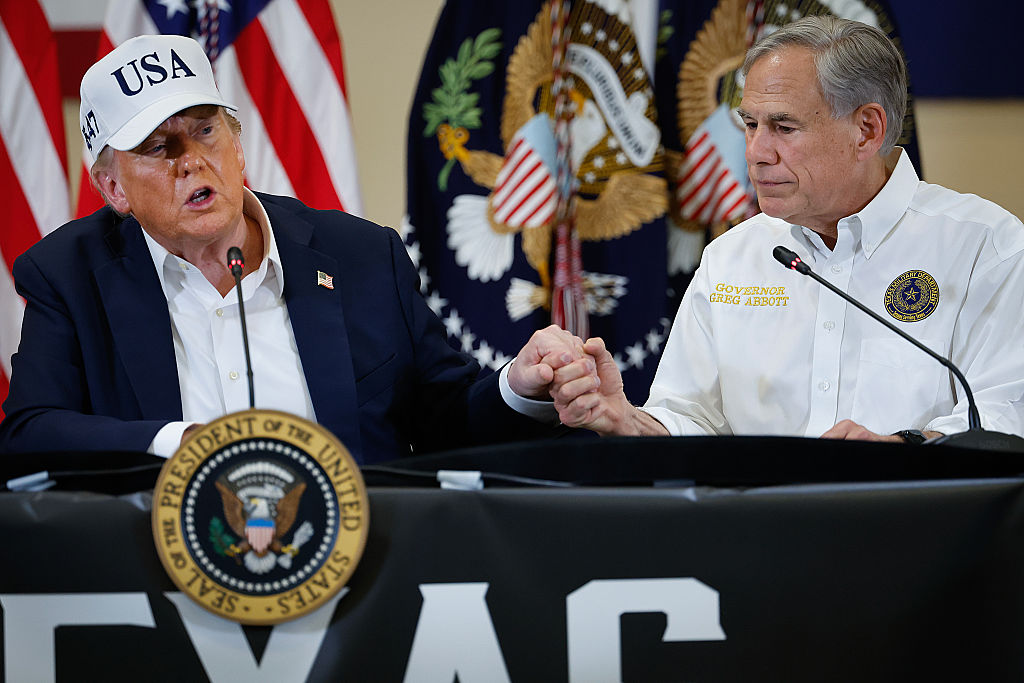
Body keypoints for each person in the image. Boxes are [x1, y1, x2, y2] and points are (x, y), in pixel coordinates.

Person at [0, 34, 579, 462]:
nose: (192, 162)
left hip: (366, 568)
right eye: (158, 148)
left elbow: (442, 416)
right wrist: (179, 442)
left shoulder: (362, 258)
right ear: (113, 189)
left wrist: (517, 386)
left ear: (238, 145)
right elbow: (31, 433)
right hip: (162, 575)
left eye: (205, 131)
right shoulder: (68, 277)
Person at [550, 15, 1024, 443]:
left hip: (917, 527)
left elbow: (1006, 414)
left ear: (867, 130)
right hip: (760, 531)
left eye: (783, 127)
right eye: (751, 123)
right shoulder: (731, 258)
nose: (755, 151)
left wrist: (902, 449)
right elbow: (690, 418)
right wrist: (629, 421)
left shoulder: (986, 247)